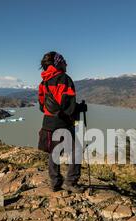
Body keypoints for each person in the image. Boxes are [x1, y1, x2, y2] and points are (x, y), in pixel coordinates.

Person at [37, 51, 85, 193]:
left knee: (54, 152)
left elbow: (41, 106)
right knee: (77, 150)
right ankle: (70, 182)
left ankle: (55, 182)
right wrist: (80, 107)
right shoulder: (64, 79)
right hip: (62, 123)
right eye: (64, 61)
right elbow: (68, 107)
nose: (66, 63)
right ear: (58, 63)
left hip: (48, 123)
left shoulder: (43, 82)